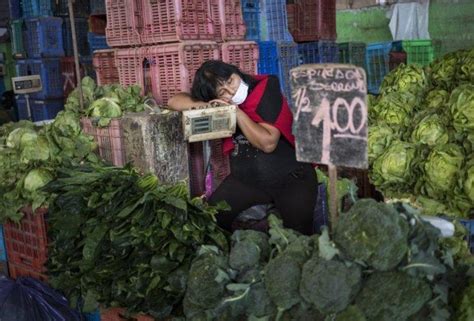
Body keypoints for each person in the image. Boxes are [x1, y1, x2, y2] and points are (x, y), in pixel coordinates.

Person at [168, 60, 317, 235]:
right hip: (248, 180)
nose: (231, 91)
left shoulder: (266, 88)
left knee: (299, 237)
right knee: (211, 218)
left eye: (231, 81)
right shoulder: (219, 103)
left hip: (292, 178)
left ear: (236, 73)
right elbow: (174, 101)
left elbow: (268, 143)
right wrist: (208, 106)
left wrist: (236, 112)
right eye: (222, 92)